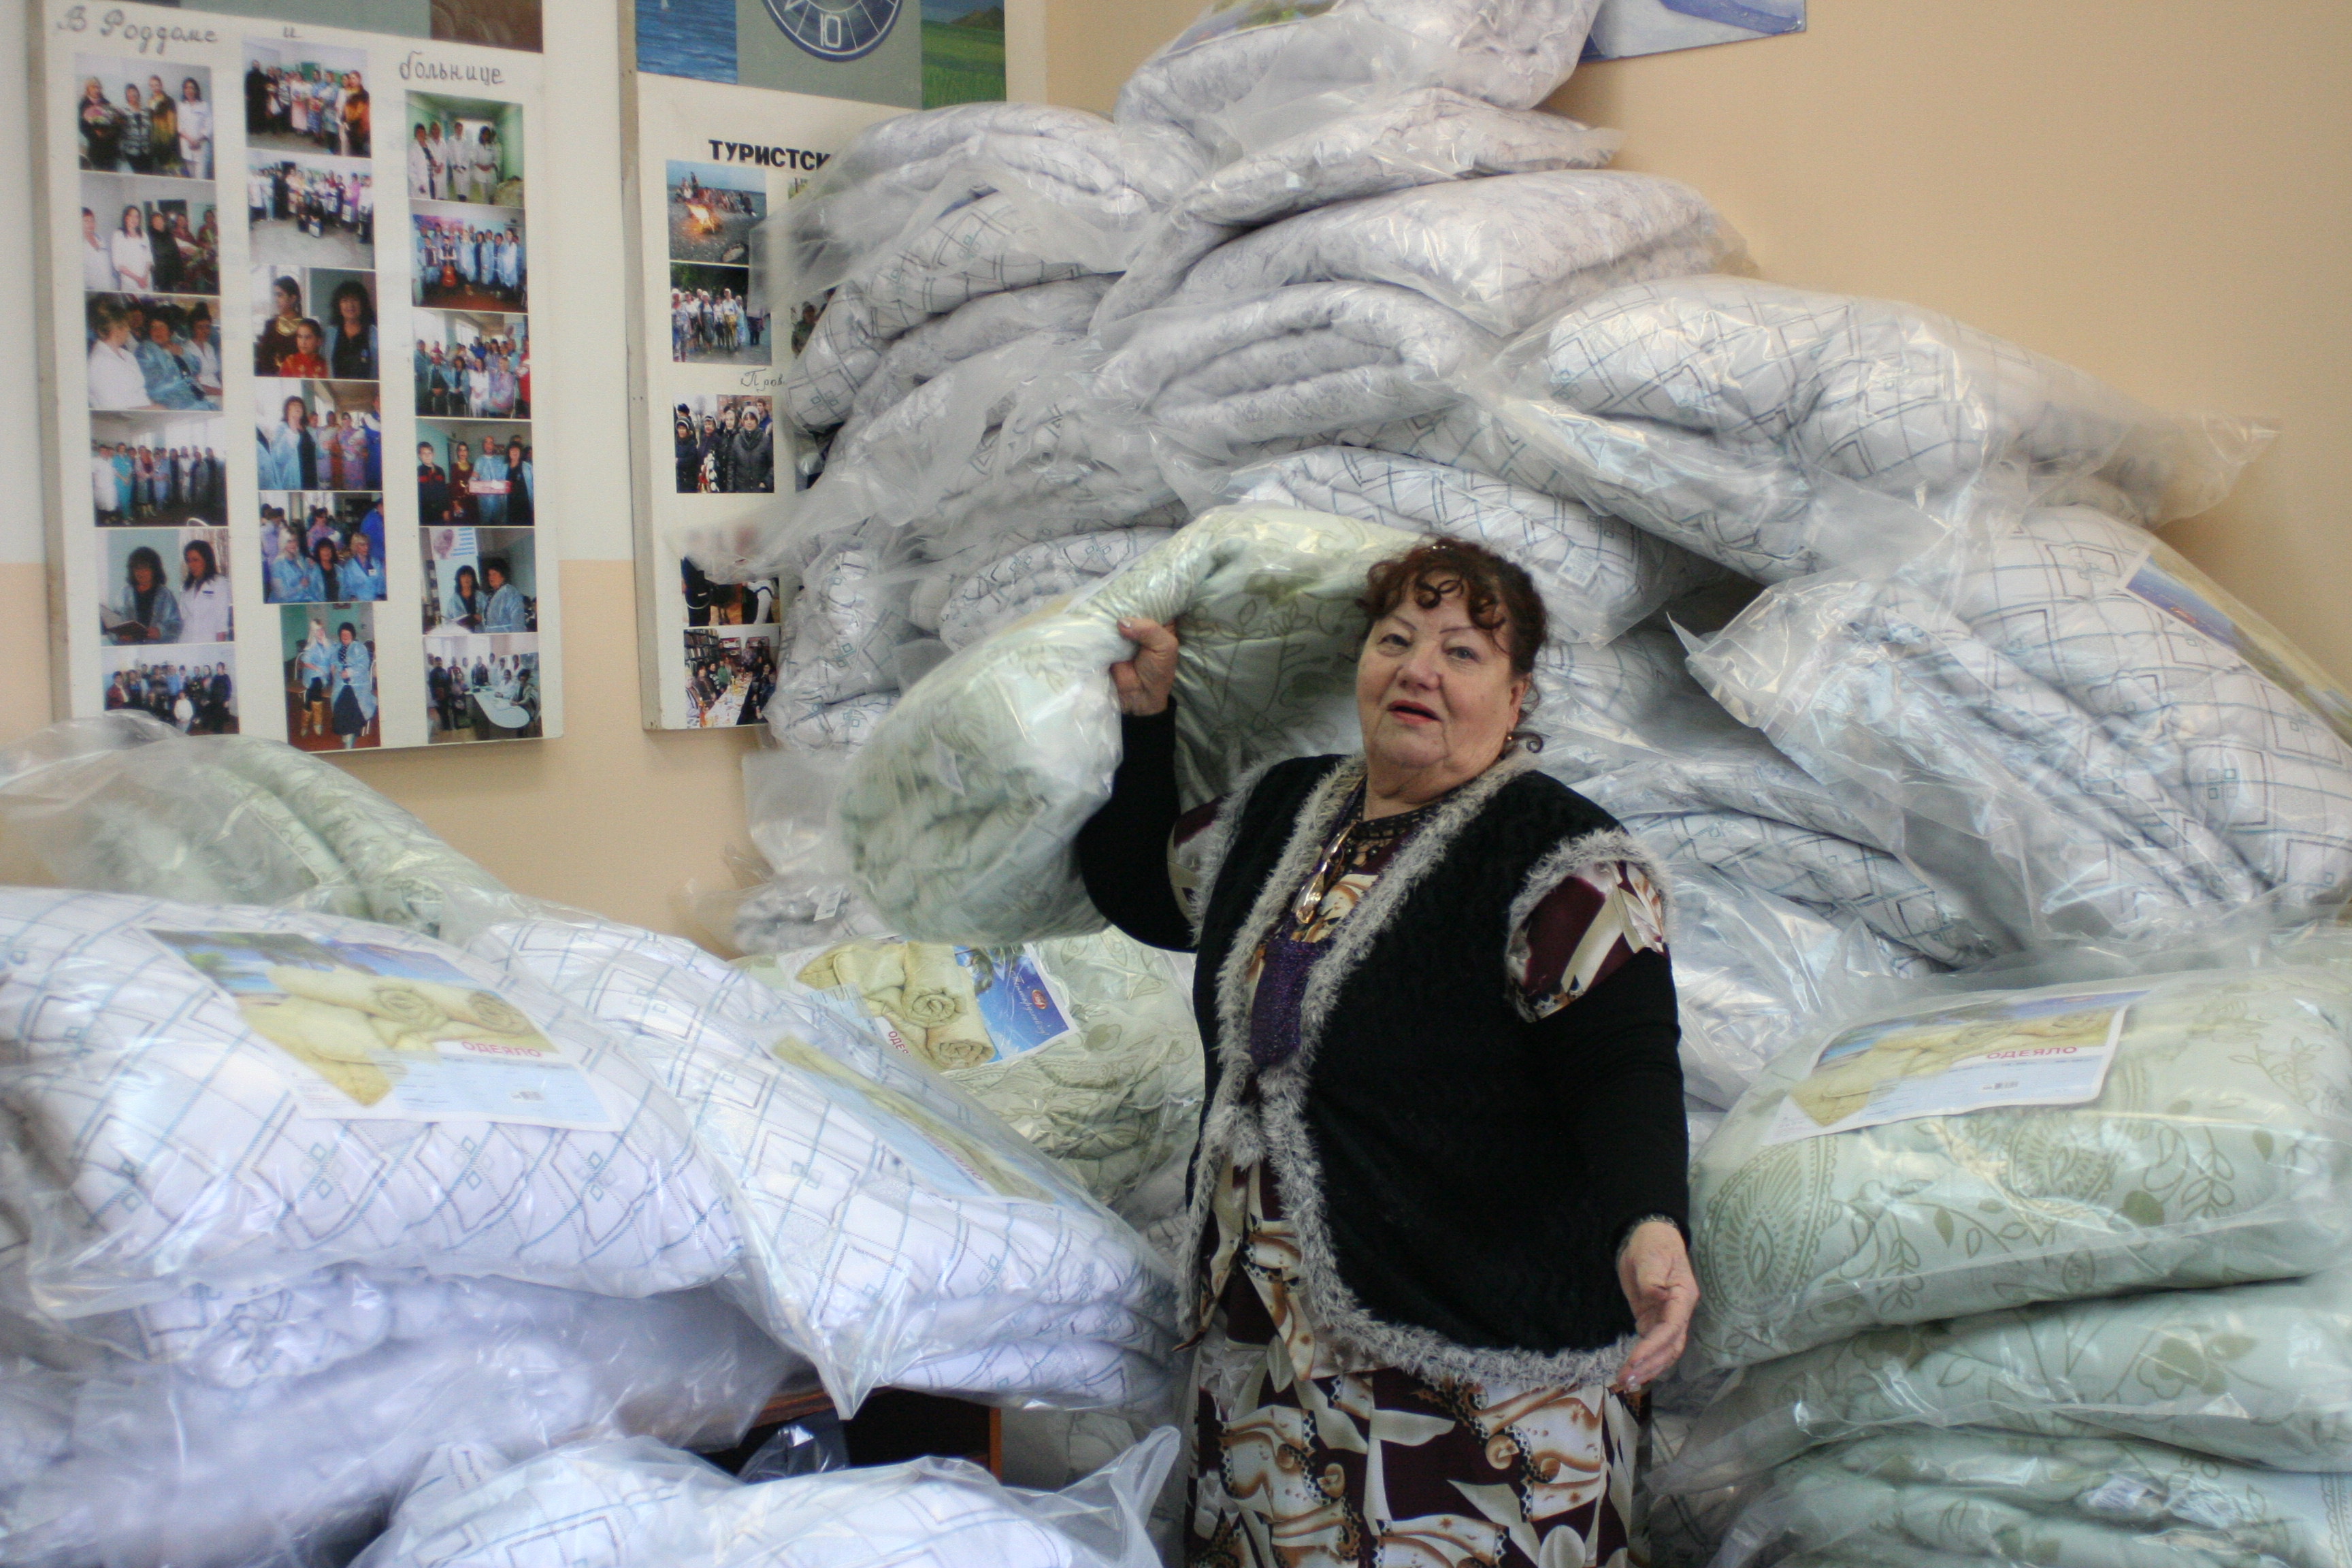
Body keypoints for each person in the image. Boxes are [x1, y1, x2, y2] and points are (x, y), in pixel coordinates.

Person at [1075, 538, 1694, 1566]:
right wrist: (1148, 720)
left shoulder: (1562, 860)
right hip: (1272, 1362)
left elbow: (1623, 1064)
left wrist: (1650, 1223)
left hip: (1473, 1379)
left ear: (1516, 695)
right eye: (1396, 640)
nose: (1419, 670)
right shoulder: (1280, 812)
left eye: (1462, 652)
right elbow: (1143, 886)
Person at [103, 544, 182, 645]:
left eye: (145, 568)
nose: (141, 573)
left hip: (156, 651)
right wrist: (120, 636)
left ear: (155, 570)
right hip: (130, 650)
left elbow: (176, 625)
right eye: (137, 569)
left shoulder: (165, 595)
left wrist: (160, 632)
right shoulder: (124, 594)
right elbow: (113, 625)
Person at [329, 622, 374, 748]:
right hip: (341, 684)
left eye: (348, 633)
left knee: (351, 704)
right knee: (339, 704)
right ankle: (345, 732)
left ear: (353, 635)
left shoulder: (359, 647)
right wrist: (333, 667)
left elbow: (364, 665)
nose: (345, 636)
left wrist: (349, 672)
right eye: (343, 634)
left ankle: (350, 736)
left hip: (358, 684)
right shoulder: (337, 648)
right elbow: (333, 661)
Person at [178, 539, 232, 643]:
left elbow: (222, 623)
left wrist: (218, 649)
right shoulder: (187, 587)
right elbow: (183, 617)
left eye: (195, 560)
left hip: (208, 642)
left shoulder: (219, 583)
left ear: (206, 560)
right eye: (188, 561)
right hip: (187, 642)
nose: (191, 565)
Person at [324, 281, 376, 380]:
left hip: (369, 389)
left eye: (355, 300)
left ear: (363, 304)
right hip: (336, 389)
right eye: (345, 300)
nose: (350, 305)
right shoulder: (329, 335)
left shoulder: (375, 334)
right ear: (338, 305)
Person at [258, 395, 312, 489]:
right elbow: (279, 457)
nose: (297, 407)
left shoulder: (307, 429)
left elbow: (314, 451)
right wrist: (292, 428)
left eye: (300, 405)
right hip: (295, 480)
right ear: (287, 410)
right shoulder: (281, 428)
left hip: (310, 475)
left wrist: (323, 448)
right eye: (293, 405)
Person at [255, 276, 306, 375]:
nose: (276, 300)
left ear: (293, 298)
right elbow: (263, 360)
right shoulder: (271, 325)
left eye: (280, 295)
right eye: (275, 295)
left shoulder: (305, 326)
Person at [295, 617, 333, 738]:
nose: (320, 632)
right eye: (317, 630)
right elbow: (306, 662)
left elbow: (334, 658)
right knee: (316, 684)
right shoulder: (311, 645)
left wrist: (331, 669)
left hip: (324, 675)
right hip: (312, 672)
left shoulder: (329, 643)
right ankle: (317, 723)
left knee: (313, 691)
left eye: (321, 629)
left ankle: (304, 724)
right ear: (313, 632)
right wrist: (319, 670)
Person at [109, 204, 152, 293]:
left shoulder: (144, 235)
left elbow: (149, 259)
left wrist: (144, 277)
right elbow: (118, 264)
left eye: (137, 217)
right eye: (131, 216)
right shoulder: (118, 235)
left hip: (146, 281)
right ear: (126, 218)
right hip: (130, 283)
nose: (134, 219)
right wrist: (138, 279)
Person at [177, 78, 211, 179]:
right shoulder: (181, 106)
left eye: (192, 88)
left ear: (196, 90)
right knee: (192, 178)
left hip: (201, 146)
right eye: (187, 88)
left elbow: (209, 126)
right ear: (184, 90)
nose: (189, 90)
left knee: (201, 177)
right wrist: (190, 140)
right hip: (187, 145)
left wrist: (198, 140)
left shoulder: (204, 105)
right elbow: (180, 127)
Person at [482, 558, 528, 631]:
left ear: (503, 575)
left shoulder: (510, 592)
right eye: (489, 575)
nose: (491, 577)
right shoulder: (490, 596)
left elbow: (518, 620)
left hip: (507, 635)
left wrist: (517, 636)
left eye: (494, 574)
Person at [338, 529, 385, 601]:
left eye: (367, 544)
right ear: (355, 546)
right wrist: (354, 599)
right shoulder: (350, 566)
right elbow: (348, 587)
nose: (366, 548)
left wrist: (379, 597)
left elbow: (381, 582)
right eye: (362, 545)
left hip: (376, 600)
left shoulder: (376, 563)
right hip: (357, 602)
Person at [145, 76, 178, 177]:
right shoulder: (149, 102)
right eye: (152, 86)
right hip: (154, 141)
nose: (155, 88)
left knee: (169, 171)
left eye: (157, 85)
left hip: (166, 141)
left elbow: (172, 122)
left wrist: (170, 141)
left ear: (161, 86)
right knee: (157, 172)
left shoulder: (169, 101)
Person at [80, 208, 117, 293]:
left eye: (92, 221)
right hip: (92, 290)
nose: (90, 224)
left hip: (109, 286)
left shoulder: (101, 239)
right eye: (86, 221)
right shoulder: (78, 244)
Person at [502, 436, 534, 528]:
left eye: (517, 450)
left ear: (521, 453)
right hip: (509, 507)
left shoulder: (528, 467)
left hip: (525, 507)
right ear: (509, 453)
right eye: (512, 450)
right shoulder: (503, 468)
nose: (515, 452)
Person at [448, 562, 485, 629]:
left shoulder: (481, 596)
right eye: (463, 576)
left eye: (469, 576)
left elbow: (488, 615)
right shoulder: (453, 600)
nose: (466, 578)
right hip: (461, 633)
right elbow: (448, 621)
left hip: (480, 632)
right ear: (459, 580)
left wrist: (481, 617)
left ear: (473, 578)